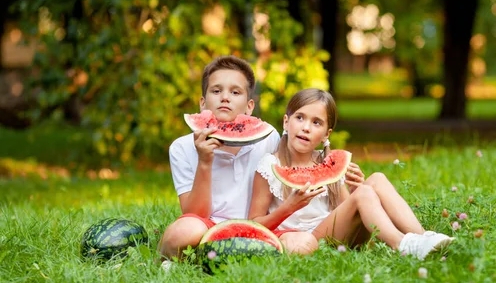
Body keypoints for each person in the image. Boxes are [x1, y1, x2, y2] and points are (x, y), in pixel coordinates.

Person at [249, 88, 455, 260]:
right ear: (286, 122)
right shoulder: (269, 165)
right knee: (364, 194)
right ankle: (402, 244)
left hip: (339, 233)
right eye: (300, 118)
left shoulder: (327, 163)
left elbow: (346, 208)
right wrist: (288, 208)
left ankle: (423, 237)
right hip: (302, 238)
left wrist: (356, 188)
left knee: (377, 180)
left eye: (316, 123)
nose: (306, 128)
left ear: (326, 134)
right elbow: (253, 225)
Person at [159, 56, 317, 261]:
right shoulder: (181, 148)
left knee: (305, 244)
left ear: (249, 106)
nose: (225, 97)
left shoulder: (269, 136)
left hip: (260, 229)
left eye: (235, 92)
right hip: (207, 228)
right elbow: (195, 214)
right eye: (216, 91)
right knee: (182, 232)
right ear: (202, 103)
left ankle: (212, 258)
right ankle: (199, 256)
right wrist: (204, 161)